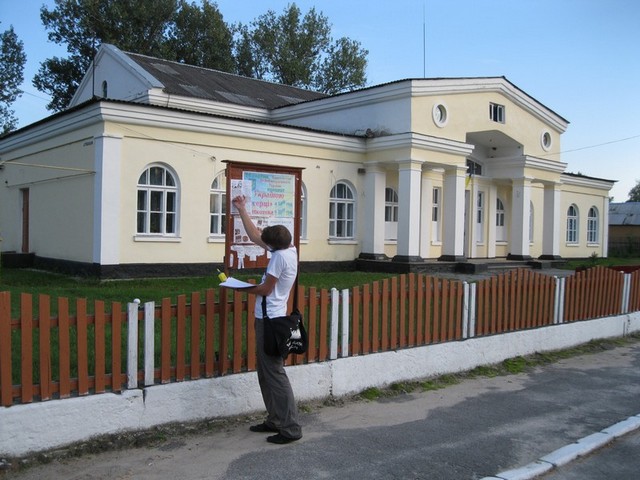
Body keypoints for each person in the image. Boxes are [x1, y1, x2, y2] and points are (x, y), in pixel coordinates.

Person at [230, 194, 302, 444]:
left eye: (266, 244)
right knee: (265, 372)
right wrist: (242, 209)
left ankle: (290, 428)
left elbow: (265, 289)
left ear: (274, 246)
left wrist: (239, 287)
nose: (263, 245)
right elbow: (255, 236)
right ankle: (275, 419)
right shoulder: (289, 248)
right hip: (269, 317)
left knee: (275, 373)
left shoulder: (279, 258)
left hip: (271, 321)